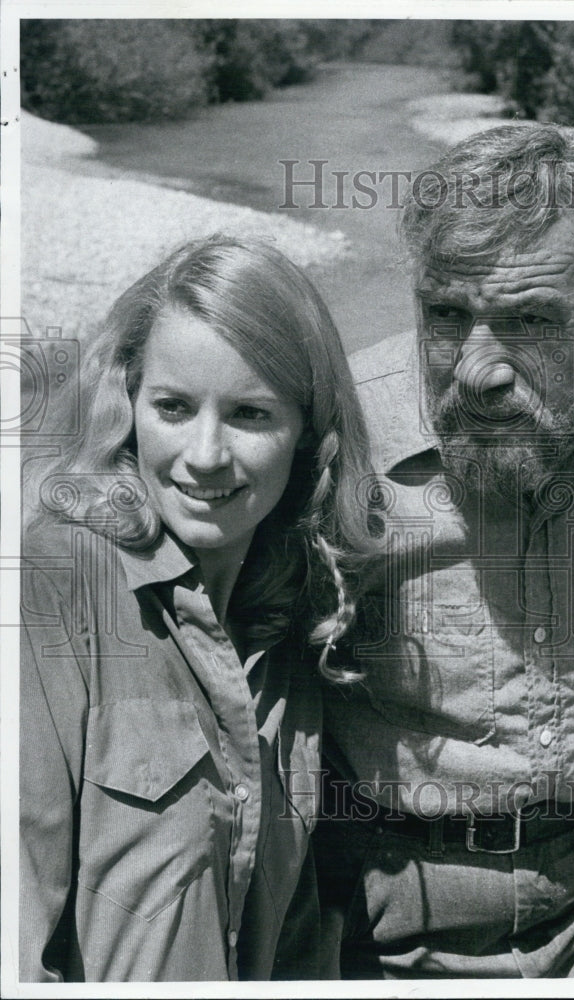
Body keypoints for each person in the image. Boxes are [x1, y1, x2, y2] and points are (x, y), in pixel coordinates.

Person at [315, 123, 574, 978]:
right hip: (374, 889)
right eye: (445, 315)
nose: (475, 370)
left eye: (529, 320)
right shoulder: (335, 425)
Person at [20, 234, 376, 982]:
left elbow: (297, 940)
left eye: (250, 414)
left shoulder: (295, 623)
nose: (205, 455)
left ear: (308, 433)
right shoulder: (51, 592)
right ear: (127, 404)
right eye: (174, 407)